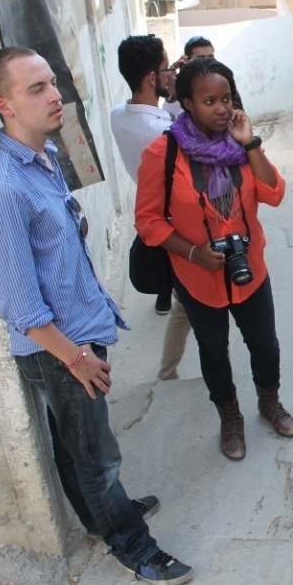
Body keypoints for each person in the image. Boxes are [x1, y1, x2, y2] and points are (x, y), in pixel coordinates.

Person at [0, 47, 193, 585]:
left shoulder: (42, 156)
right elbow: (20, 306)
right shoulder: (3, 187)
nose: (55, 96)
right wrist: (76, 358)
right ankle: (136, 549)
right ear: (2, 104)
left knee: (76, 448)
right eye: (37, 89)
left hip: (75, 337)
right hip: (59, 351)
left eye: (52, 84)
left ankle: (101, 517)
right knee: (98, 457)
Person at [135, 57, 293, 461]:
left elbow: (274, 194)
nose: (222, 109)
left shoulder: (241, 146)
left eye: (226, 99)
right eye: (210, 101)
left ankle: (269, 402)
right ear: (186, 102)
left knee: (266, 346)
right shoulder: (164, 152)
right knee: (213, 351)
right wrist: (192, 252)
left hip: (250, 268)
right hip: (197, 275)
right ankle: (230, 417)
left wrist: (251, 143)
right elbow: (149, 220)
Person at [110, 34, 193, 380]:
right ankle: (171, 371)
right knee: (194, 302)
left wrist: (170, 92)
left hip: (149, 206)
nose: (170, 74)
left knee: (183, 301)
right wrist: (180, 95)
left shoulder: (118, 116)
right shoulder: (163, 131)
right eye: (165, 69)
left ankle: (169, 370)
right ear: (151, 78)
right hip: (176, 219)